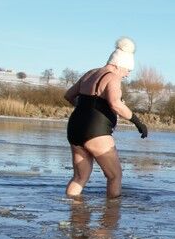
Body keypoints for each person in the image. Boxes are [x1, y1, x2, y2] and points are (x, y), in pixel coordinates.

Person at [63, 37, 148, 198]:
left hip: (75, 128)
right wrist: (138, 122)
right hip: (96, 131)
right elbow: (116, 104)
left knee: (80, 177)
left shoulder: (90, 73)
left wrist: (85, 109)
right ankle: (111, 219)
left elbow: (68, 95)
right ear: (120, 64)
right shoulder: (113, 77)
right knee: (114, 176)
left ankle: (73, 215)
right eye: (128, 70)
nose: (127, 75)